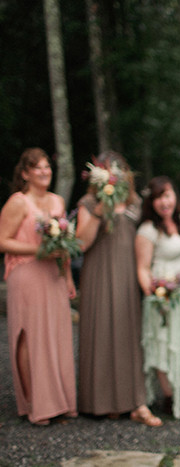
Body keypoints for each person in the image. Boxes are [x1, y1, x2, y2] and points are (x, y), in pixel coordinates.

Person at [75, 150, 161, 427]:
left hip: (127, 275)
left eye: (118, 169)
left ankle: (132, 401)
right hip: (98, 275)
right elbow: (81, 243)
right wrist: (101, 208)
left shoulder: (135, 203)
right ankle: (99, 402)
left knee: (128, 335)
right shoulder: (88, 202)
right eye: (108, 169)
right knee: (99, 333)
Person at [0, 148, 77, 425]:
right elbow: (3, 240)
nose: (45, 171)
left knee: (56, 336)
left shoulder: (57, 200)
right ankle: (34, 403)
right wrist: (38, 251)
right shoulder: (18, 202)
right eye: (38, 168)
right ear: (25, 173)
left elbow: (64, 242)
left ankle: (59, 402)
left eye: (47, 167)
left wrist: (68, 277)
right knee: (30, 336)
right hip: (26, 274)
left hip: (53, 275)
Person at [135, 176, 180, 420]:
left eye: (167, 195)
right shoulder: (147, 230)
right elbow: (142, 269)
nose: (164, 201)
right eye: (158, 197)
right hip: (165, 295)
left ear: (175, 197)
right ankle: (170, 397)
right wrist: (155, 294)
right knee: (167, 342)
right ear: (151, 203)